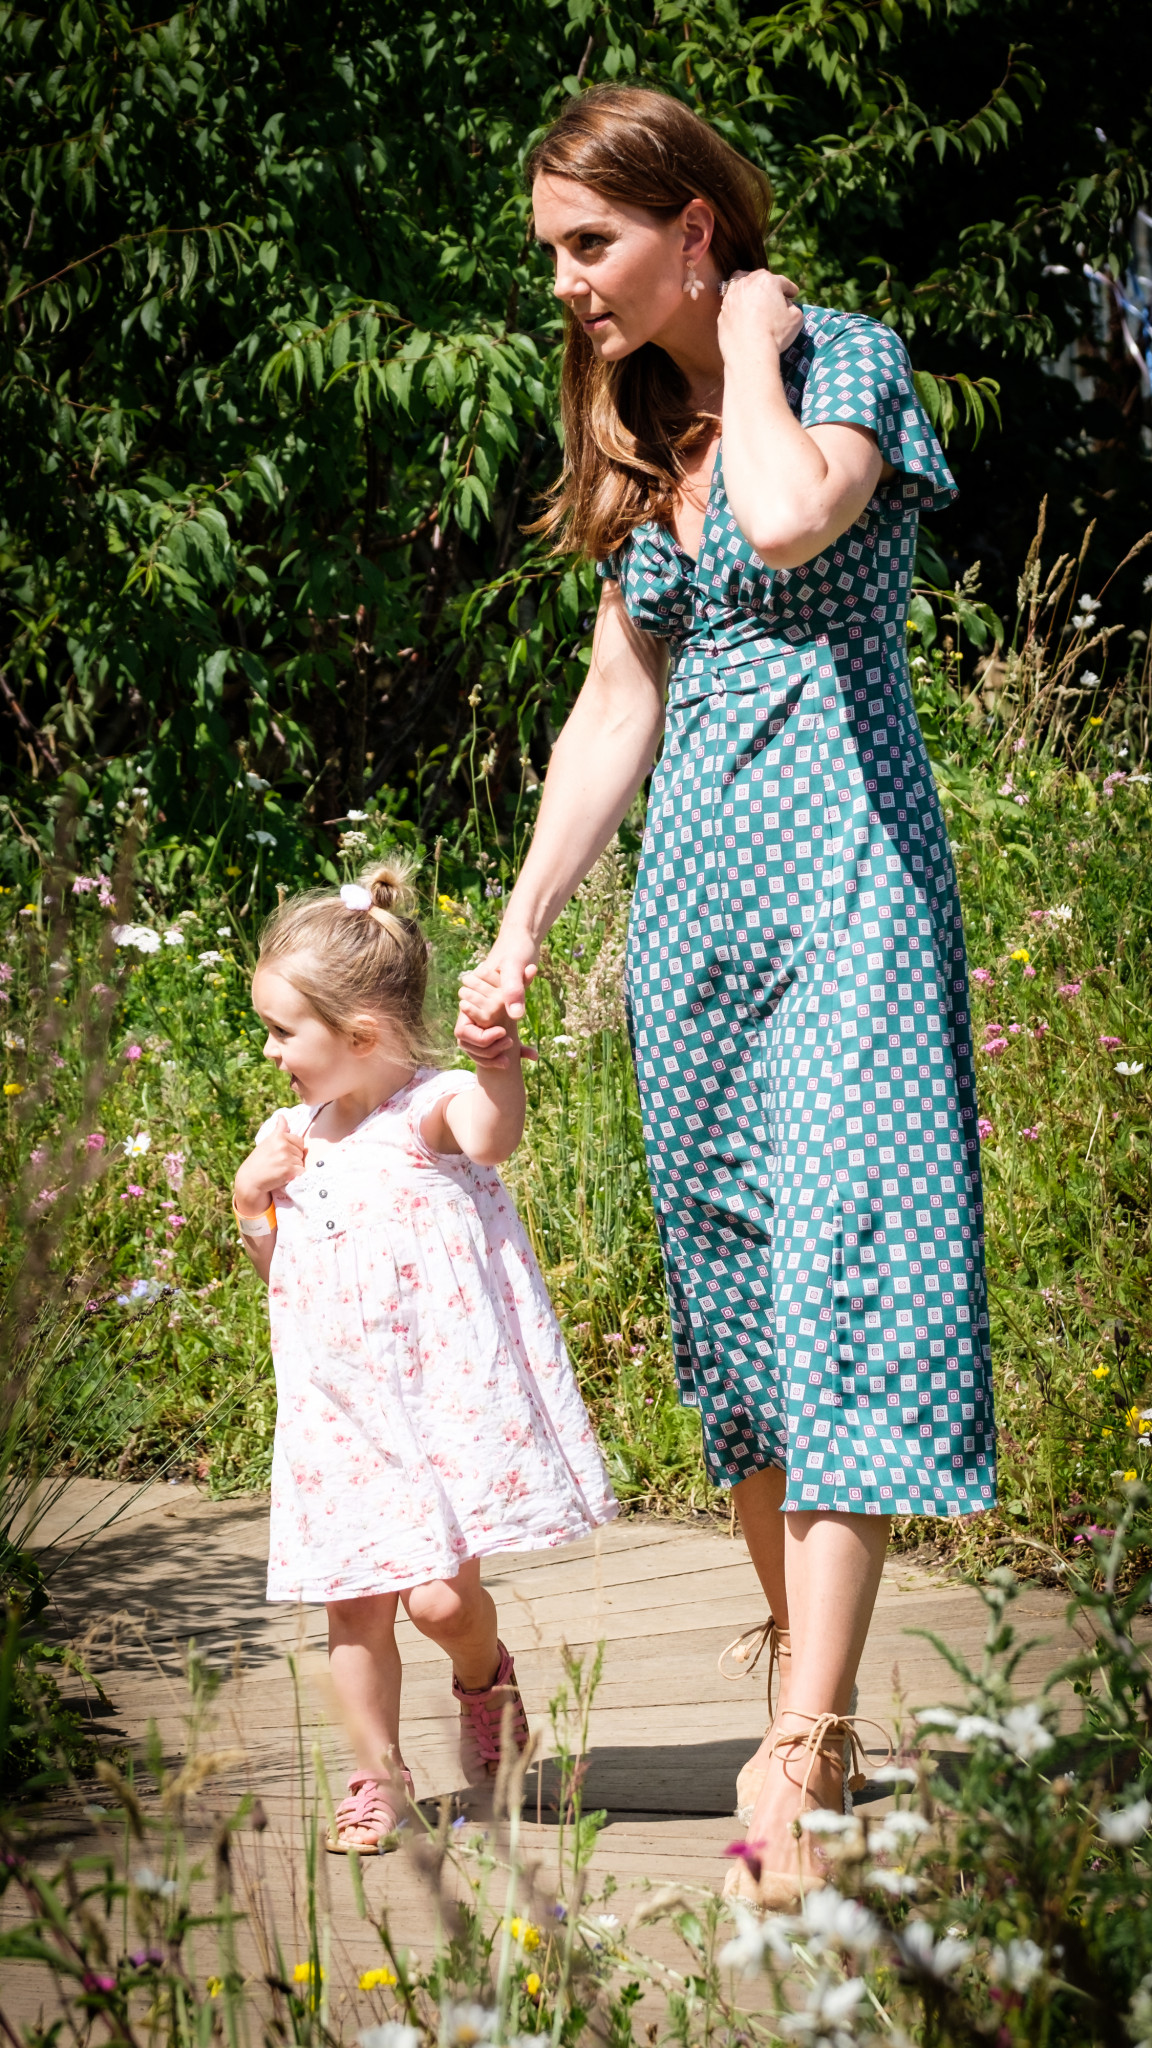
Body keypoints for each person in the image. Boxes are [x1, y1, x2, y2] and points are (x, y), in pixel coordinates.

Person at [456, 83, 995, 1907]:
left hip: (848, 901)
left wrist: (753, 336)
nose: (566, 287)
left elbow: (779, 525)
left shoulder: (834, 363)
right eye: (551, 252)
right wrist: (529, 916)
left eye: (589, 245)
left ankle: (802, 1735)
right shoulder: (644, 422)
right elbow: (623, 697)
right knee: (748, 1312)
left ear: (695, 226)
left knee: (847, 1274)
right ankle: (806, 1679)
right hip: (693, 926)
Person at [232, 861, 617, 1852]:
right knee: (354, 1615)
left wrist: (499, 1062)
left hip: (433, 1406)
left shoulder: (432, 1108)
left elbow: (492, 1138)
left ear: (360, 1035)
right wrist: (249, 1202)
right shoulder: (291, 1135)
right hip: (340, 1415)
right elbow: (284, 1268)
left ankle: (485, 1681)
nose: (272, 1053)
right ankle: (377, 1774)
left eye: (285, 1032)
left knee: (442, 1599)